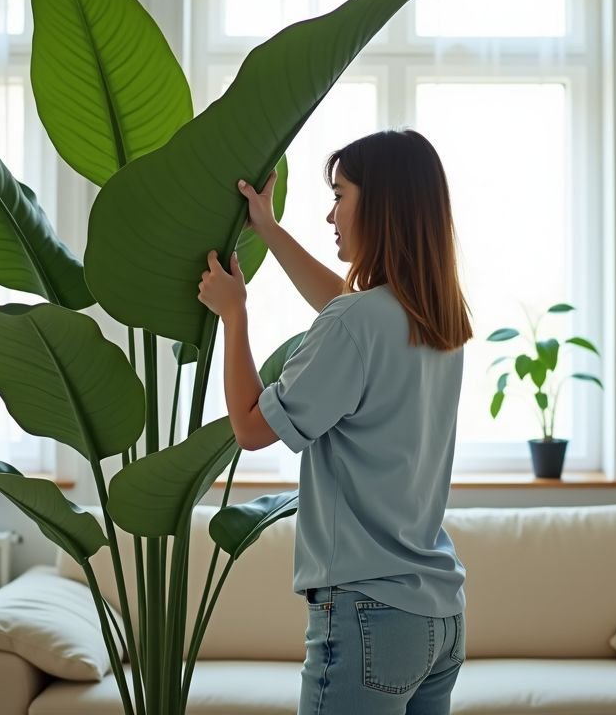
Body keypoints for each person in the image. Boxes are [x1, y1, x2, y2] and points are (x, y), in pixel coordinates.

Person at [196, 128, 472, 715]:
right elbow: (343, 305)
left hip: (368, 612)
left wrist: (234, 314)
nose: (330, 215)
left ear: (381, 205)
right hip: (439, 619)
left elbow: (249, 428)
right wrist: (267, 228)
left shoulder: (358, 322)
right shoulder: (437, 321)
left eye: (340, 195)